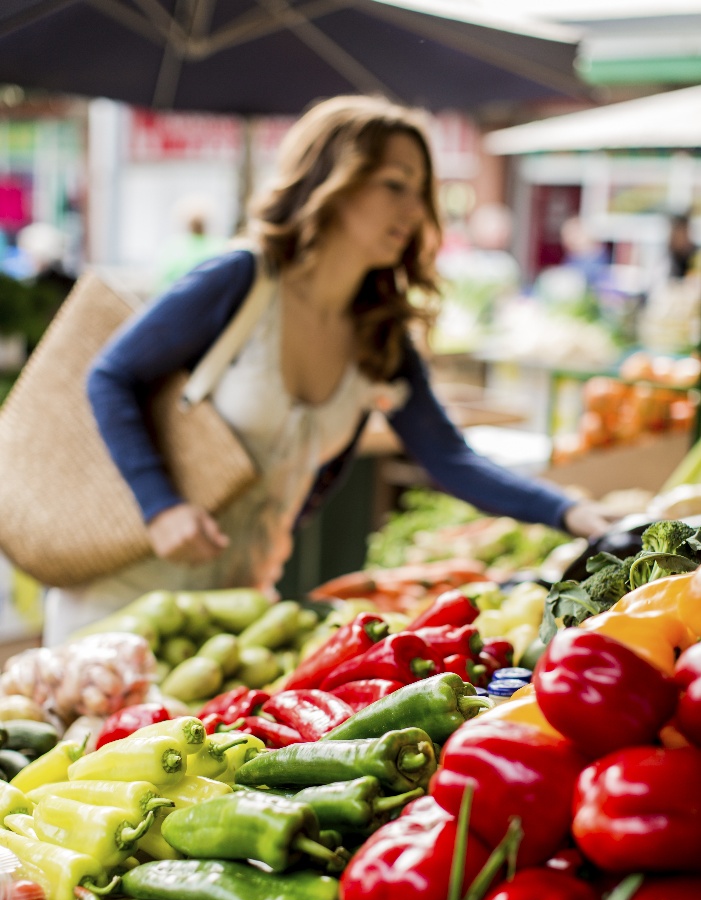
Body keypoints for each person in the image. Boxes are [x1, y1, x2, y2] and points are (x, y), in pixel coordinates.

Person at [43, 95, 615, 645]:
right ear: (332, 182)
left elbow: (450, 458)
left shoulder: (379, 333)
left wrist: (572, 512)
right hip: (124, 592)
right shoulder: (243, 280)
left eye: (421, 192)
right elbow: (111, 376)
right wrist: (161, 505)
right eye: (394, 185)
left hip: (239, 608)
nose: (415, 211)